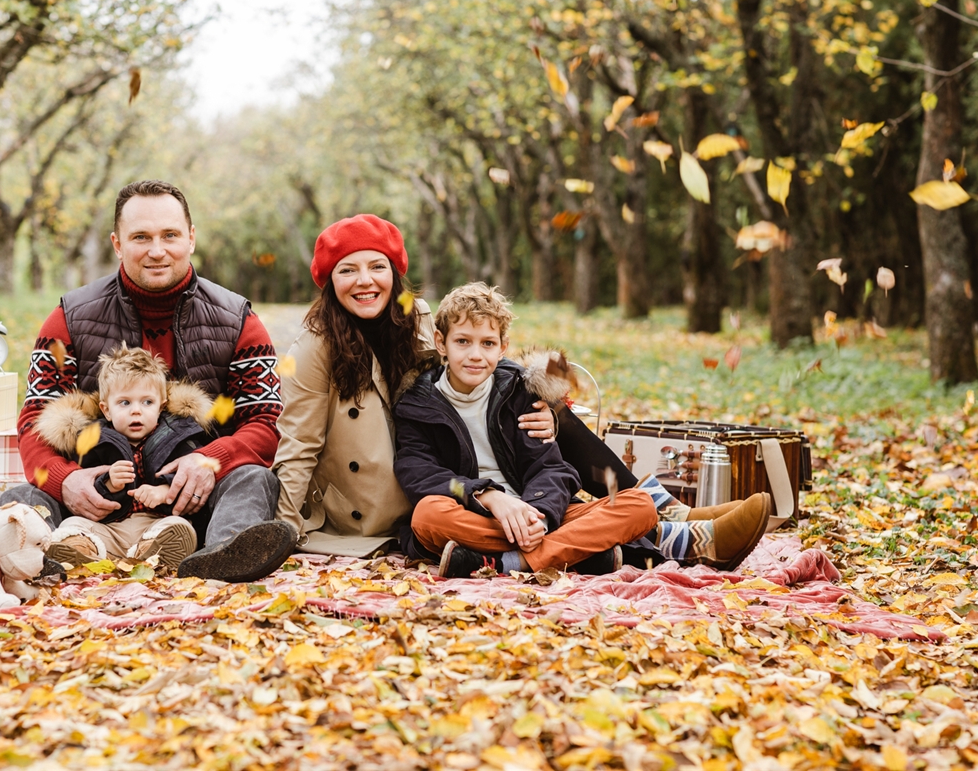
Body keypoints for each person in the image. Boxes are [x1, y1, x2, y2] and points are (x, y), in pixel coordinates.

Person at [0, 180, 296, 583]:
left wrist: (211, 461)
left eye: (170, 236)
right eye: (141, 237)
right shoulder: (69, 319)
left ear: (191, 239)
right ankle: (6, 556)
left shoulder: (239, 320)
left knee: (254, 480)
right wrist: (65, 479)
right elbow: (34, 420)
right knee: (25, 497)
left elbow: (266, 420)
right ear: (117, 243)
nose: (157, 250)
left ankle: (222, 554)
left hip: (194, 503)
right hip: (92, 506)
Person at [393, 282, 774, 577]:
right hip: (474, 516)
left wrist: (539, 514)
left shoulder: (517, 391)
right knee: (428, 514)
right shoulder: (418, 405)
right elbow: (421, 473)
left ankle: (509, 563)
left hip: (535, 515)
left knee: (637, 504)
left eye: (487, 343)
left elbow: (552, 469)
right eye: (463, 342)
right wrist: (489, 497)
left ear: (503, 347)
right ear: (441, 343)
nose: (475, 355)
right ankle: (590, 550)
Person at [272, 215, 554, 558]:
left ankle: (621, 499)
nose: (364, 281)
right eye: (347, 270)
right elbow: (299, 444)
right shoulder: (314, 346)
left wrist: (544, 408)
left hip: (439, 481)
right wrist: (282, 533)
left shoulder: (415, 316)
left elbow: (467, 365)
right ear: (330, 280)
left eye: (377, 266)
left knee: (562, 437)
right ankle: (542, 544)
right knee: (434, 515)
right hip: (370, 508)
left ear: (394, 272)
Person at [35, 346, 211, 571]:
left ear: (161, 407)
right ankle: (86, 550)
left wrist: (164, 492)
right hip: (109, 529)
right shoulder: (94, 440)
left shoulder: (177, 437)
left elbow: (189, 481)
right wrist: (107, 482)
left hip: (154, 524)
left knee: (179, 527)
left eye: (147, 402)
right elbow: (83, 489)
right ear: (106, 410)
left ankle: (152, 553)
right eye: (125, 403)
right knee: (72, 524)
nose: (136, 411)